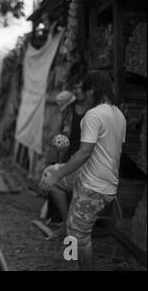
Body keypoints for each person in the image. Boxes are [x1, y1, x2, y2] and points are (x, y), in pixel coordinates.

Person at [41, 70, 126, 270]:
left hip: (93, 186)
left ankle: (76, 266)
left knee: (79, 238)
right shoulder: (119, 115)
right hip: (105, 183)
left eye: (86, 91)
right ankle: (70, 261)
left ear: (92, 90)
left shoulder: (94, 115)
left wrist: (56, 175)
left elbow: (84, 153)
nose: (85, 96)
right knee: (75, 230)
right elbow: (107, 152)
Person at [42, 76, 91, 238]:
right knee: (50, 172)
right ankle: (65, 222)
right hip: (73, 157)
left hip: (86, 160)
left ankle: (68, 225)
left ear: (88, 89)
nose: (77, 91)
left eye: (80, 87)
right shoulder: (70, 111)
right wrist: (62, 141)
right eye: (75, 88)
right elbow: (66, 134)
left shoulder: (93, 111)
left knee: (51, 175)